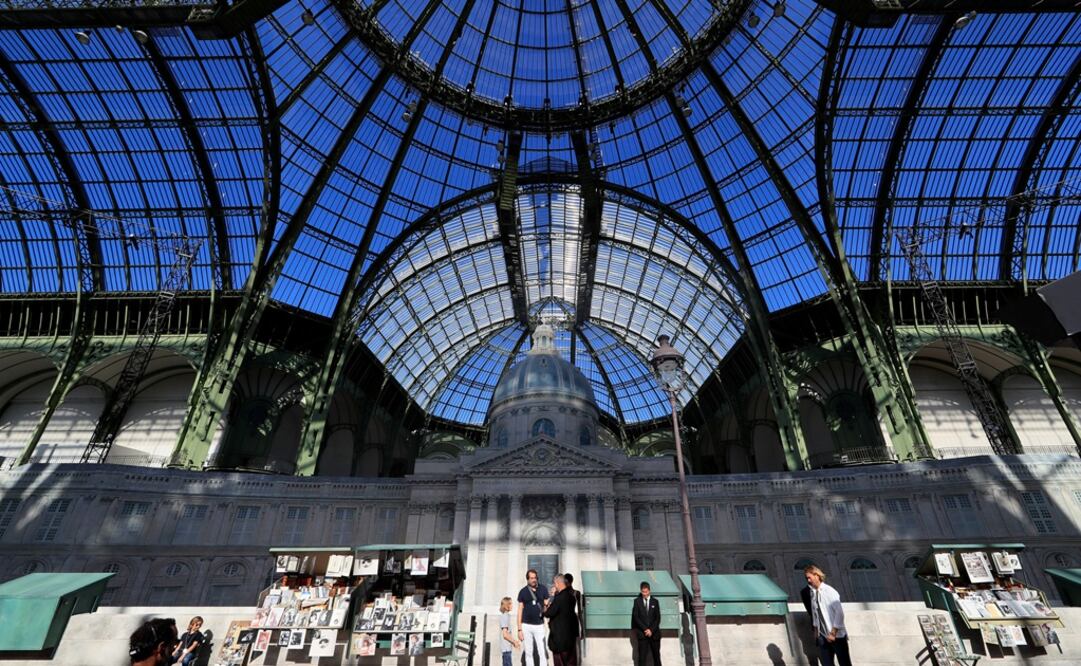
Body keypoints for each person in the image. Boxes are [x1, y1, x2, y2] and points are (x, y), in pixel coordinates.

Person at [805, 564, 851, 666]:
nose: (808, 580)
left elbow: (839, 613)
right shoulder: (813, 593)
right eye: (807, 578)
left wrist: (833, 633)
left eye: (809, 577)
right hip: (822, 637)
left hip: (837, 636)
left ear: (816, 575)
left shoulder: (829, 591)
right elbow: (815, 613)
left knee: (844, 663)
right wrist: (816, 631)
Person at [543, 574, 579, 666]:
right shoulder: (571, 597)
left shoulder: (559, 598)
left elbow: (548, 613)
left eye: (555, 584)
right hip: (570, 639)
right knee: (571, 663)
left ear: (557, 583)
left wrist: (546, 604)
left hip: (559, 640)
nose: (554, 586)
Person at [518, 568, 550, 666]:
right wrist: (519, 629)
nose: (533, 580)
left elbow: (546, 605)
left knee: (542, 651)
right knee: (528, 652)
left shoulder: (543, 589)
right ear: (527, 579)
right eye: (531, 578)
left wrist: (546, 606)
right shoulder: (523, 592)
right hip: (526, 625)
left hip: (539, 625)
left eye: (535, 578)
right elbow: (520, 610)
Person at [631, 581, 661, 666]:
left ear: (649, 590)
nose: (645, 594)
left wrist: (651, 630)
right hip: (642, 634)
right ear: (641, 591)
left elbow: (657, 618)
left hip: (654, 634)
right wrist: (645, 629)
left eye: (646, 592)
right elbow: (636, 617)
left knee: (657, 657)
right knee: (642, 658)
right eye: (643, 592)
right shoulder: (637, 601)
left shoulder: (655, 602)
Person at [564, 573, 584, 662]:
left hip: (571, 622)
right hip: (568, 622)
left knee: (573, 647)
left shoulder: (576, 593)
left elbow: (580, 611)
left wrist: (582, 628)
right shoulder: (561, 593)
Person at [500, 596, 522, 666]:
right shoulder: (504, 616)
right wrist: (514, 642)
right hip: (506, 649)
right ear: (506, 606)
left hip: (507, 648)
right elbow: (505, 634)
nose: (512, 605)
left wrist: (513, 642)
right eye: (510, 604)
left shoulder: (507, 616)